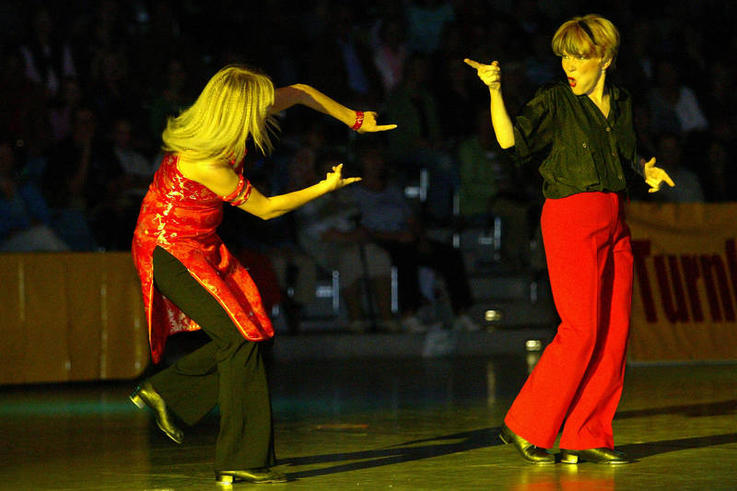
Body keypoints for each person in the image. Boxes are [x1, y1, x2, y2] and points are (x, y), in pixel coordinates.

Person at [129, 65, 395, 485]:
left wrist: (354, 119)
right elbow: (267, 209)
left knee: (250, 333)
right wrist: (323, 189)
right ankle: (239, 457)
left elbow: (305, 90)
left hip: (200, 242)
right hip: (168, 248)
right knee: (239, 338)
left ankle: (176, 398)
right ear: (235, 112)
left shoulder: (226, 128)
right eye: (257, 109)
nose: (267, 115)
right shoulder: (205, 161)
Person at [465, 14, 674, 465]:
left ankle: (587, 433)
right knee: (580, 330)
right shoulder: (556, 101)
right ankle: (525, 424)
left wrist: (645, 170)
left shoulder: (619, 100)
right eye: (565, 57)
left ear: (605, 58)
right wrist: (495, 89)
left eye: (579, 57)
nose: (570, 66)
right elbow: (509, 141)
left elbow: (623, 152)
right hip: (571, 216)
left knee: (614, 331)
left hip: (616, 215)